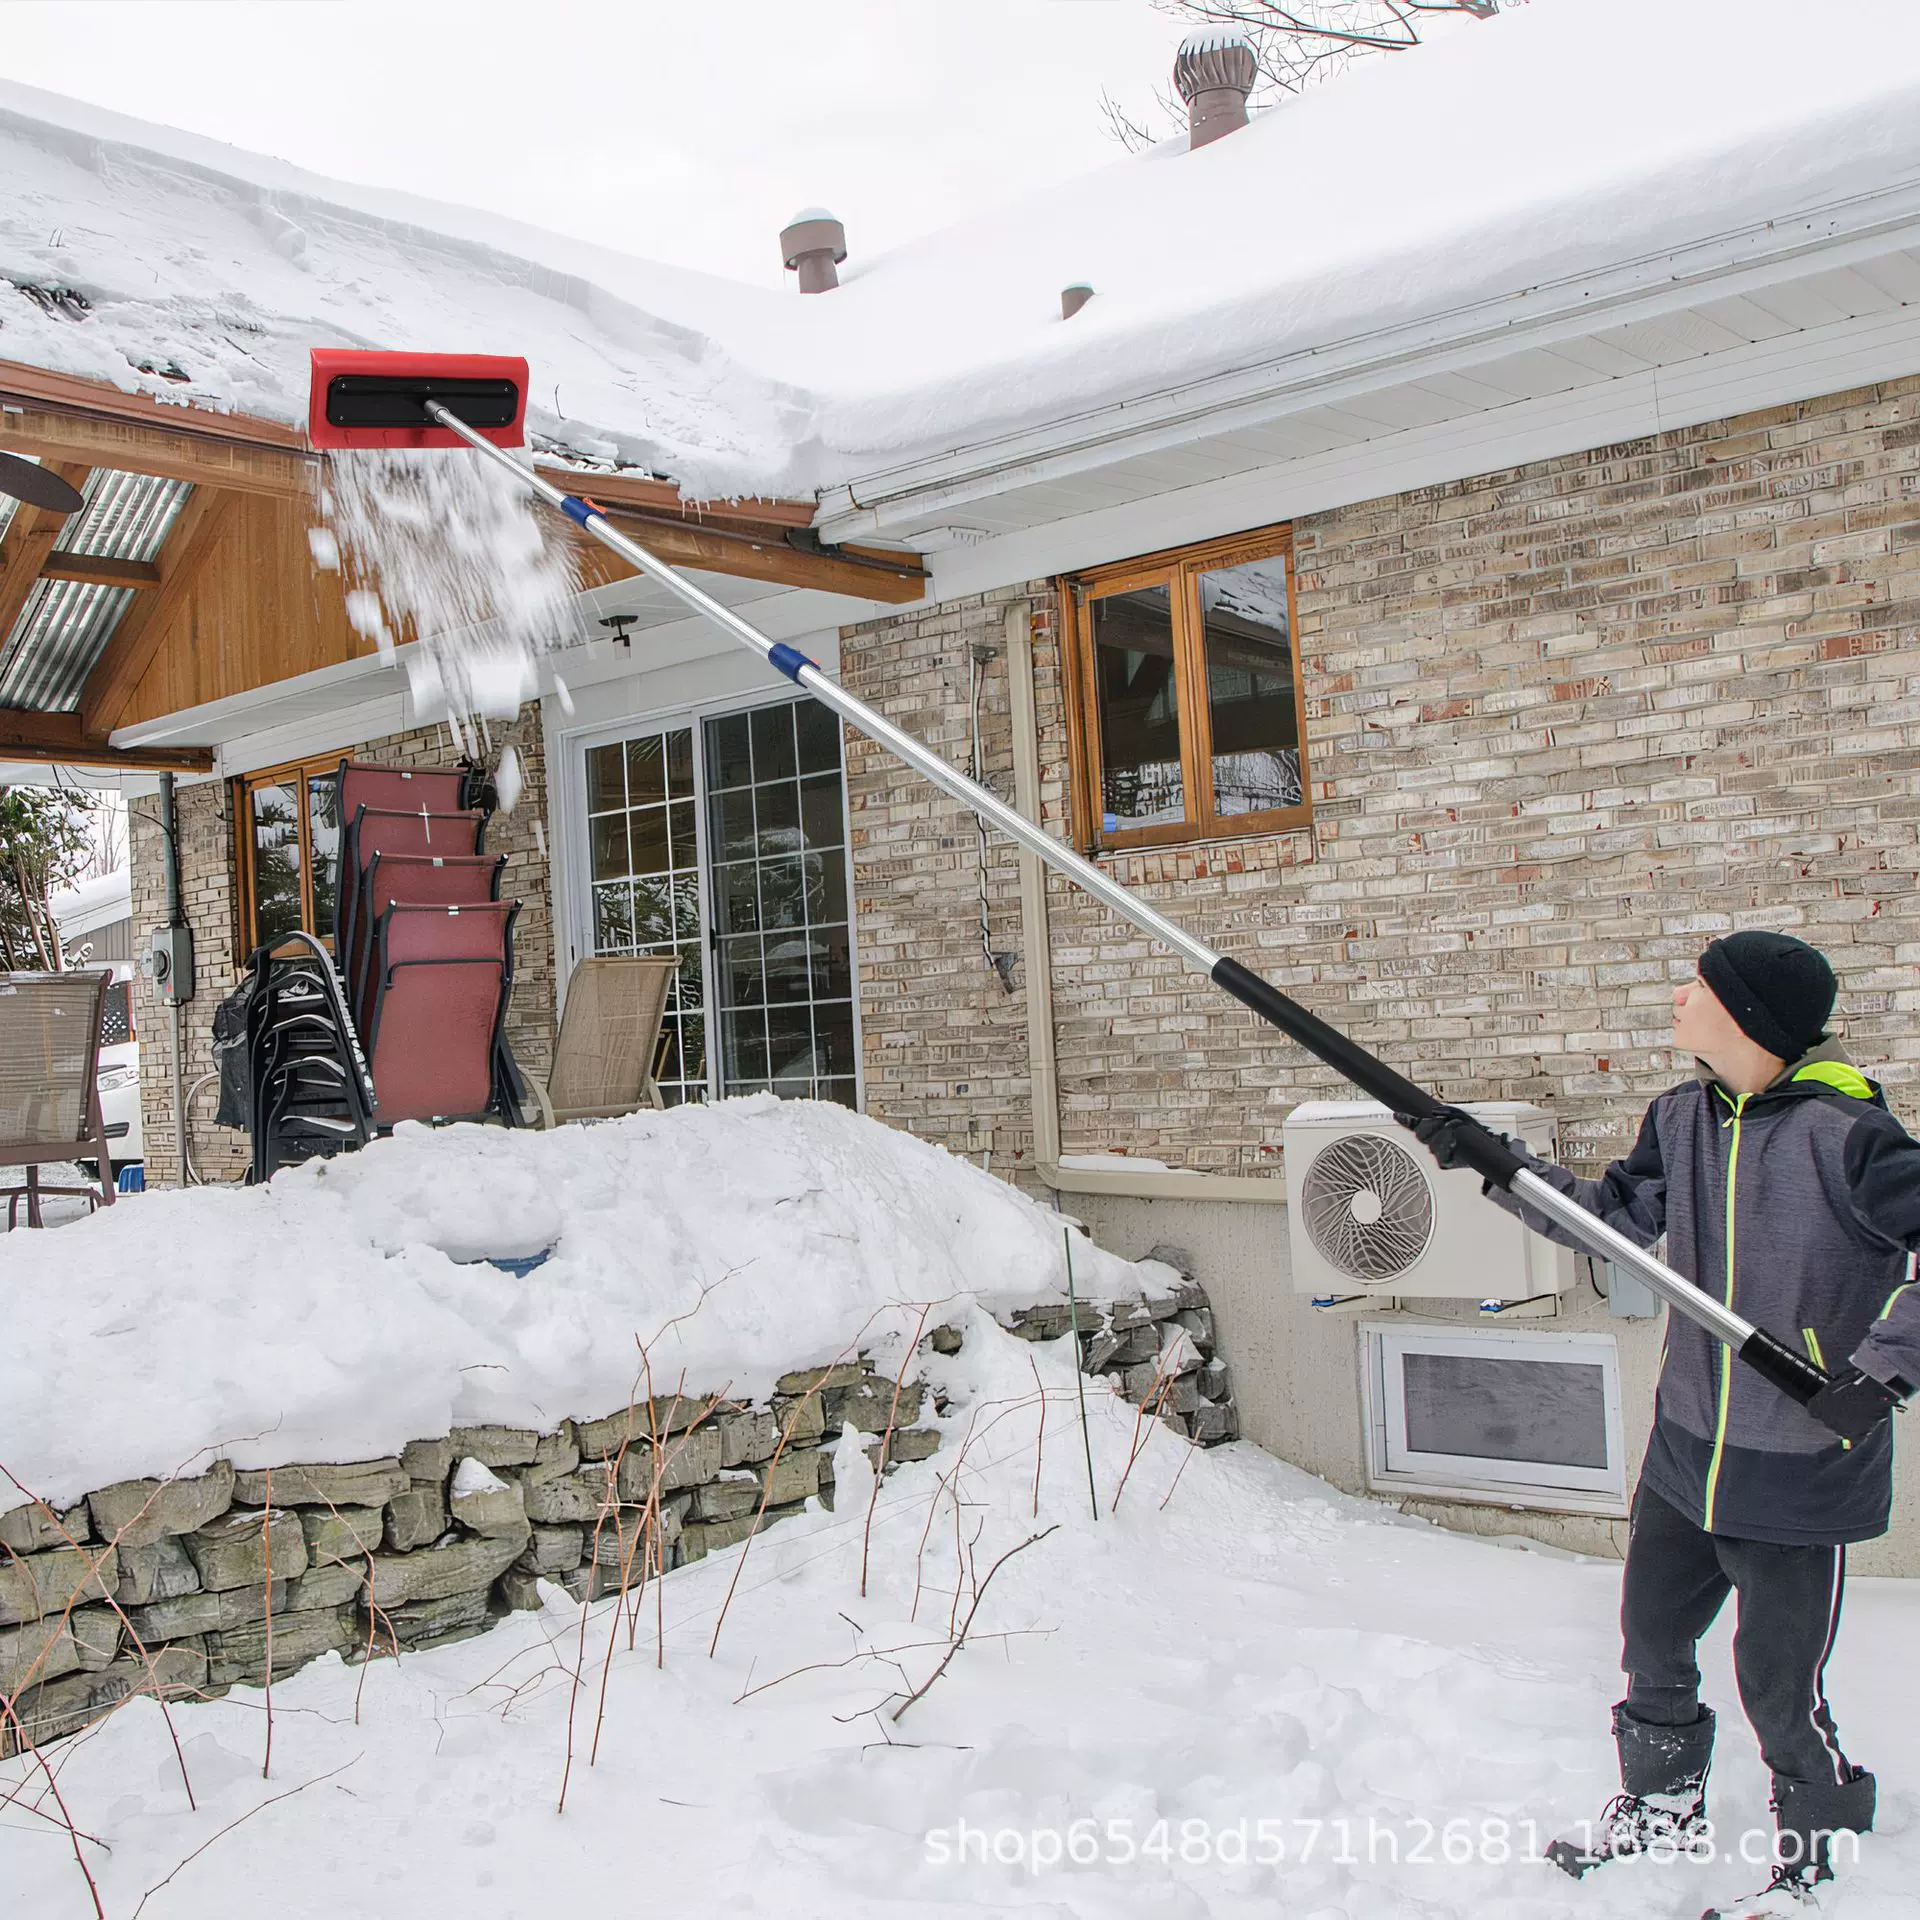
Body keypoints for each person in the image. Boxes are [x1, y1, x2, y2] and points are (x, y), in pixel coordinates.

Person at [1402, 931, 1918, 1919]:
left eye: (1699, 987)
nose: (1679, 998)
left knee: (1778, 1688)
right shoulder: (1681, 1118)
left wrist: (1883, 1372)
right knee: (1652, 1647)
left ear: (1749, 1019)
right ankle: (1661, 1807)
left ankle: (1823, 1861)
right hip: (1689, 1449)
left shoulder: (1851, 1140)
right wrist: (1493, 1163)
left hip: (1797, 1465)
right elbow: (1611, 1220)